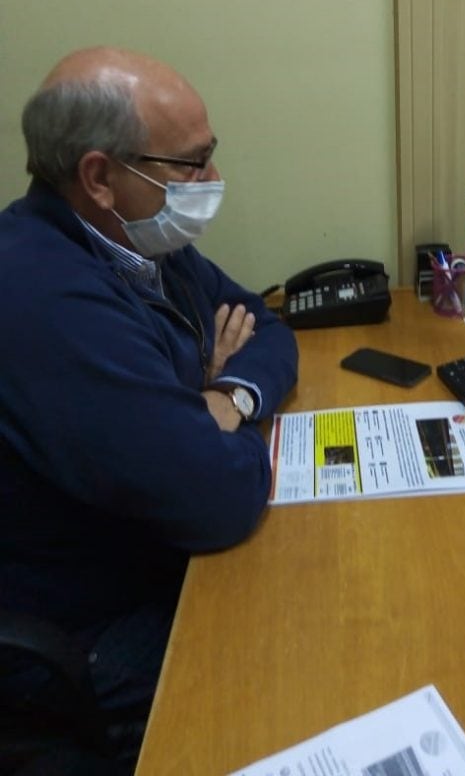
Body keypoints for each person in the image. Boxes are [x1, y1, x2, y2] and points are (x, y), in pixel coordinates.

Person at [0, 47, 298, 764]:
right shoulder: (42, 293)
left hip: (150, 548)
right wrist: (194, 433)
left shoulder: (134, 246)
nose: (213, 181)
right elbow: (218, 496)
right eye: (191, 164)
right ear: (100, 177)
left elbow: (270, 326)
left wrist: (221, 399)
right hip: (84, 631)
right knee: (304, 645)